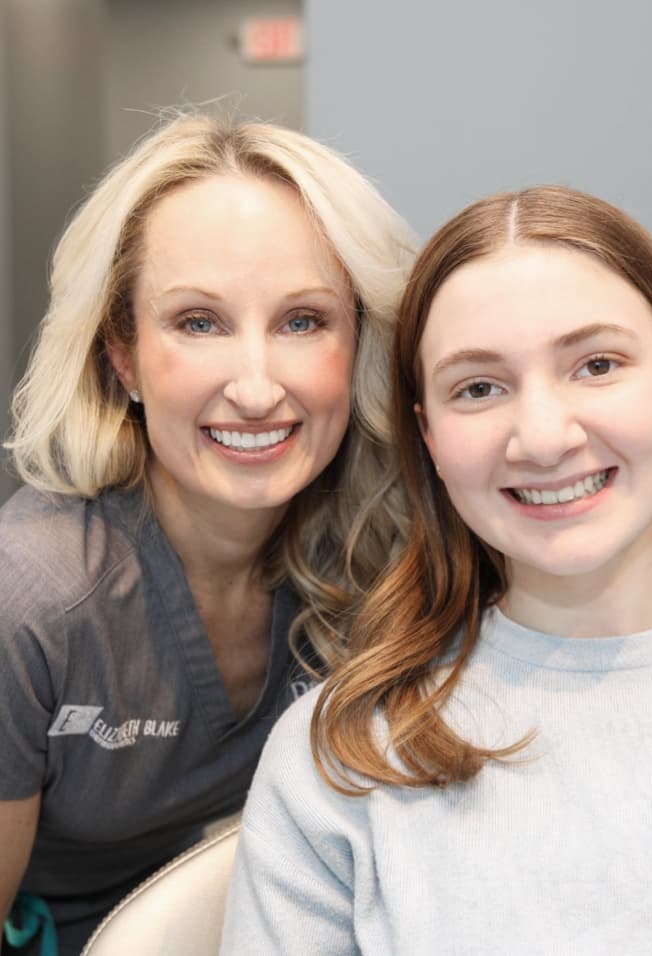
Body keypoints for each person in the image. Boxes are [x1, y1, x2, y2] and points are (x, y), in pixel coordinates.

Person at [222, 186, 652, 955]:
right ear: (427, 436)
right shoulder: (340, 760)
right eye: (479, 388)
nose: (542, 436)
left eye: (596, 365)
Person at [0, 112, 415, 955]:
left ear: (359, 338)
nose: (256, 387)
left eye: (303, 321)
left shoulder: (384, 553)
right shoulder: (30, 602)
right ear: (123, 355)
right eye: (198, 322)